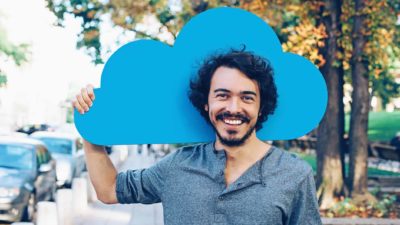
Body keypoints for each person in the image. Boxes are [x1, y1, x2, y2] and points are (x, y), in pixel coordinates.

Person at [73, 48, 322, 225]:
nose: (234, 108)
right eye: (222, 95)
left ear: (261, 106)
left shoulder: (294, 175)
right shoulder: (177, 166)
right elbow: (108, 190)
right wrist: (90, 127)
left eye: (247, 97)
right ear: (206, 103)